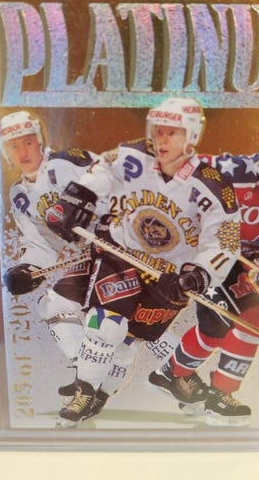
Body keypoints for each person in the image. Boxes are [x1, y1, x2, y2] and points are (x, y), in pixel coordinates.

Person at [45, 97, 240, 423]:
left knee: (127, 344)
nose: (162, 139)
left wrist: (198, 274)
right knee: (105, 325)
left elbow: (225, 240)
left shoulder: (212, 186)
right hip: (120, 254)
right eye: (158, 131)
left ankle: (100, 395)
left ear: (192, 136)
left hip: (167, 278)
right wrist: (77, 197)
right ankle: (85, 391)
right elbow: (103, 169)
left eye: (172, 133)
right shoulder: (133, 154)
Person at [148, 112, 259, 425]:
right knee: (255, 318)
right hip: (208, 257)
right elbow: (169, 172)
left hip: (239, 263)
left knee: (214, 329)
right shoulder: (227, 171)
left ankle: (170, 373)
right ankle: (219, 397)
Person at [0, 110, 100, 392]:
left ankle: (180, 373)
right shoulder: (19, 194)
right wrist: (28, 271)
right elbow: (40, 244)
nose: (22, 152)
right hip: (94, 257)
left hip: (123, 247)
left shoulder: (65, 163)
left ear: (40, 141)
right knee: (52, 305)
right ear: (5, 152)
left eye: (28, 142)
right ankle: (87, 378)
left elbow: (115, 185)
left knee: (127, 323)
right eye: (13, 146)